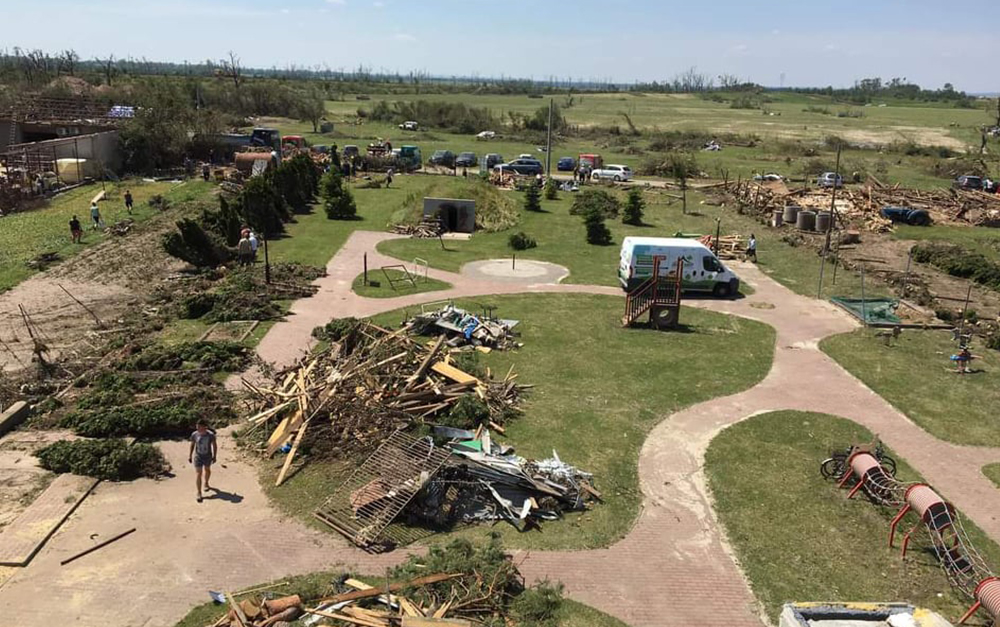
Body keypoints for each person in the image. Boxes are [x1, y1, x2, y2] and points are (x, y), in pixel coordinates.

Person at [188, 420, 218, 502]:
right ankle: (199, 492)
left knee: (207, 470)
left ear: (204, 427)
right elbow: (192, 444)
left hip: (207, 456)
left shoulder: (211, 435)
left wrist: (215, 456)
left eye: (199, 427)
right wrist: (190, 455)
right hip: (198, 456)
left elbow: (214, 446)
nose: (197, 428)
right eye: (197, 427)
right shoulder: (194, 434)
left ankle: (206, 483)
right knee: (198, 474)